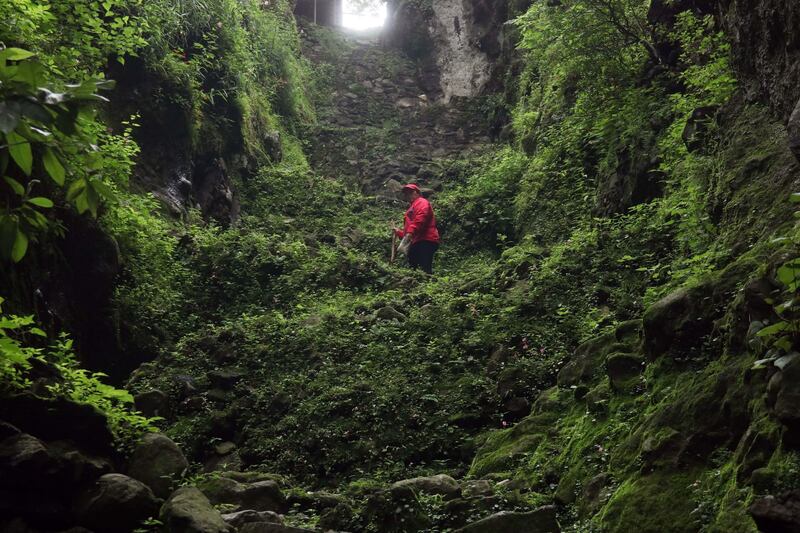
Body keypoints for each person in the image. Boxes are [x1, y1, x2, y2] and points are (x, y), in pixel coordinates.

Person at [394, 183, 440, 274]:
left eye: (411, 192)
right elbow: (409, 230)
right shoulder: (412, 207)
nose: (408, 195)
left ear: (417, 193)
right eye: (406, 194)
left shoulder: (421, 202)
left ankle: (428, 285)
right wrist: (398, 232)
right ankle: (415, 285)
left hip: (426, 239)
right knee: (412, 267)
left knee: (425, 267)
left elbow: (420, 218)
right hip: (416, 241)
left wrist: (409, 233)